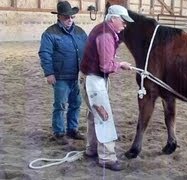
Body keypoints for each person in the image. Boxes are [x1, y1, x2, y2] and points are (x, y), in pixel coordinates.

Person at [79, 5, 134, 171]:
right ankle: (107, 158)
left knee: (94, 114)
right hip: (94, 79)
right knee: (104, 116)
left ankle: (91, 149)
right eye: (123, 22)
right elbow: (106, 66)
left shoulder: (103, 30)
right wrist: (121, 64)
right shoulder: (105, 35)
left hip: (90, 77)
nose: (125, 25)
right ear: (114, 18)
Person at [38, 1, 87, 145]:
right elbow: (45, 53)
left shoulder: (80, 32)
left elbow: (88, 49)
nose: (70, 20)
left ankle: (72, 129)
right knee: (60, 105)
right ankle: (59, 132)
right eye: (66, 17)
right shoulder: (50, 33)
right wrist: (49, 73)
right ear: (59, 17)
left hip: (77, 76)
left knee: (76, 103)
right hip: (60, 77)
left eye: (72, 17)